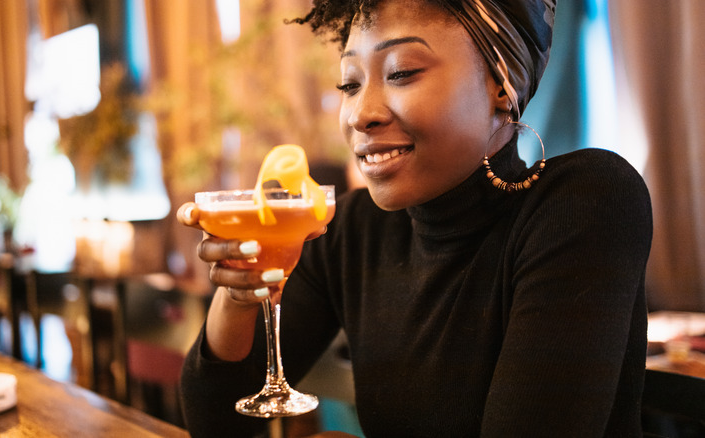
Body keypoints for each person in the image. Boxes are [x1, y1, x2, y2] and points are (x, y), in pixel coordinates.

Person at [177, 0, 653, 437]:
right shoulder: (350, 231)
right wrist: (240, 292)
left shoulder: (585, 202)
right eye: (349, 83)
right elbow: (215, 421)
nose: (360, 115)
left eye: (402, 72)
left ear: (501, 85)